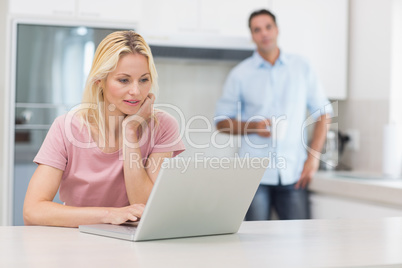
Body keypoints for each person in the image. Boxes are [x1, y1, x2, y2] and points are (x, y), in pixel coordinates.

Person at [23, 31, 185, 227]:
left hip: (135, 242)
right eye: (124, 80)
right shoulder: (67, 127)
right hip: (78, 241)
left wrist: (130, 131)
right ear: (100, 81)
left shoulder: (162, 126)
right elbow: (33, 211)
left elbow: (146, 208)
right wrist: (109, 215)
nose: (136, 91)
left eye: (144, 80)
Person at [215, 9, 332, 220]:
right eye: (257, 30)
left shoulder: (301, 67)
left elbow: (324, 113)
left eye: (268, 27)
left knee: (299, 245)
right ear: (252, 36)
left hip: (293, 173)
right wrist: (254, 126)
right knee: (254, 248)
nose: (264, 34)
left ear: (277, 29)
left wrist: (313, 158)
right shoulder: (240, 74)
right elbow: (221, 122)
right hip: (253, 176)